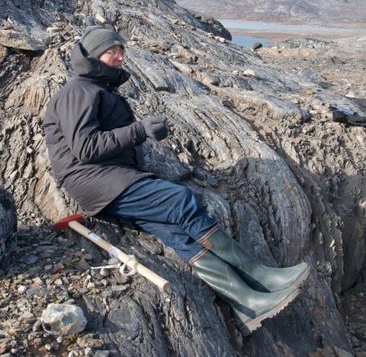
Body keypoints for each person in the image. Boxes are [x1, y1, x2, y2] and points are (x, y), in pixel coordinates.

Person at [44, 25, 309, 333]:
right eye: (112, 51)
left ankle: (247, 302)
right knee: (180, 200)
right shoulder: (78, 91)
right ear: (93, 55)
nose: (120, 56)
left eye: (121, 50)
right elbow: (86, 148)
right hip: (94, 180)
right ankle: (260, 275)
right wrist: (139, 130)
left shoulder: (97, 89)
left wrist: (141, 135)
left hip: (109, 179)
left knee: (173, 230)